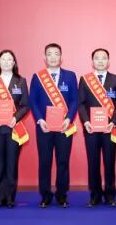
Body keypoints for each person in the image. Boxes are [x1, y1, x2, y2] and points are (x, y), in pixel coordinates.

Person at [29, 43, 79, 208]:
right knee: (45, 161)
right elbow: (32, 101)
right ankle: (45, 195)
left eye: (56, 54)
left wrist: (69, 119)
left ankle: (61, 195)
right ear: (44, 58)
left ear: (61, 57)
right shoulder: (38, 77)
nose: (53, 57)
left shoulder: (70, 76)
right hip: (44, 127)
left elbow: (75, 100)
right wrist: (39, 120)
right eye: (49, 54)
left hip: (64, 126)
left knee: (63, 161)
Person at [0, 49, 30, 208]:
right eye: (3, 59)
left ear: (14, 63)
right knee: (0, 163)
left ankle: (10, 197)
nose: (6, 62)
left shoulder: (21, 81)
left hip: (14, 128)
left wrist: (15, 118)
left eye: (10, 59)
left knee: (11, 163)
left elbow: (25, 105)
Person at [77, 48, 116, 207]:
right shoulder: (85, 79)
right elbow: (81, 104)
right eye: (97, 58)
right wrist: (86, 122)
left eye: (104, 58)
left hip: (109, 128)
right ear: (92, 62)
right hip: (91, 128)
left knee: (110, 162)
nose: (100, 61)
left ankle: (110, 195)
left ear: (108, 61)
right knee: (93, 162)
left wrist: (114, 122)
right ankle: (95, 195)